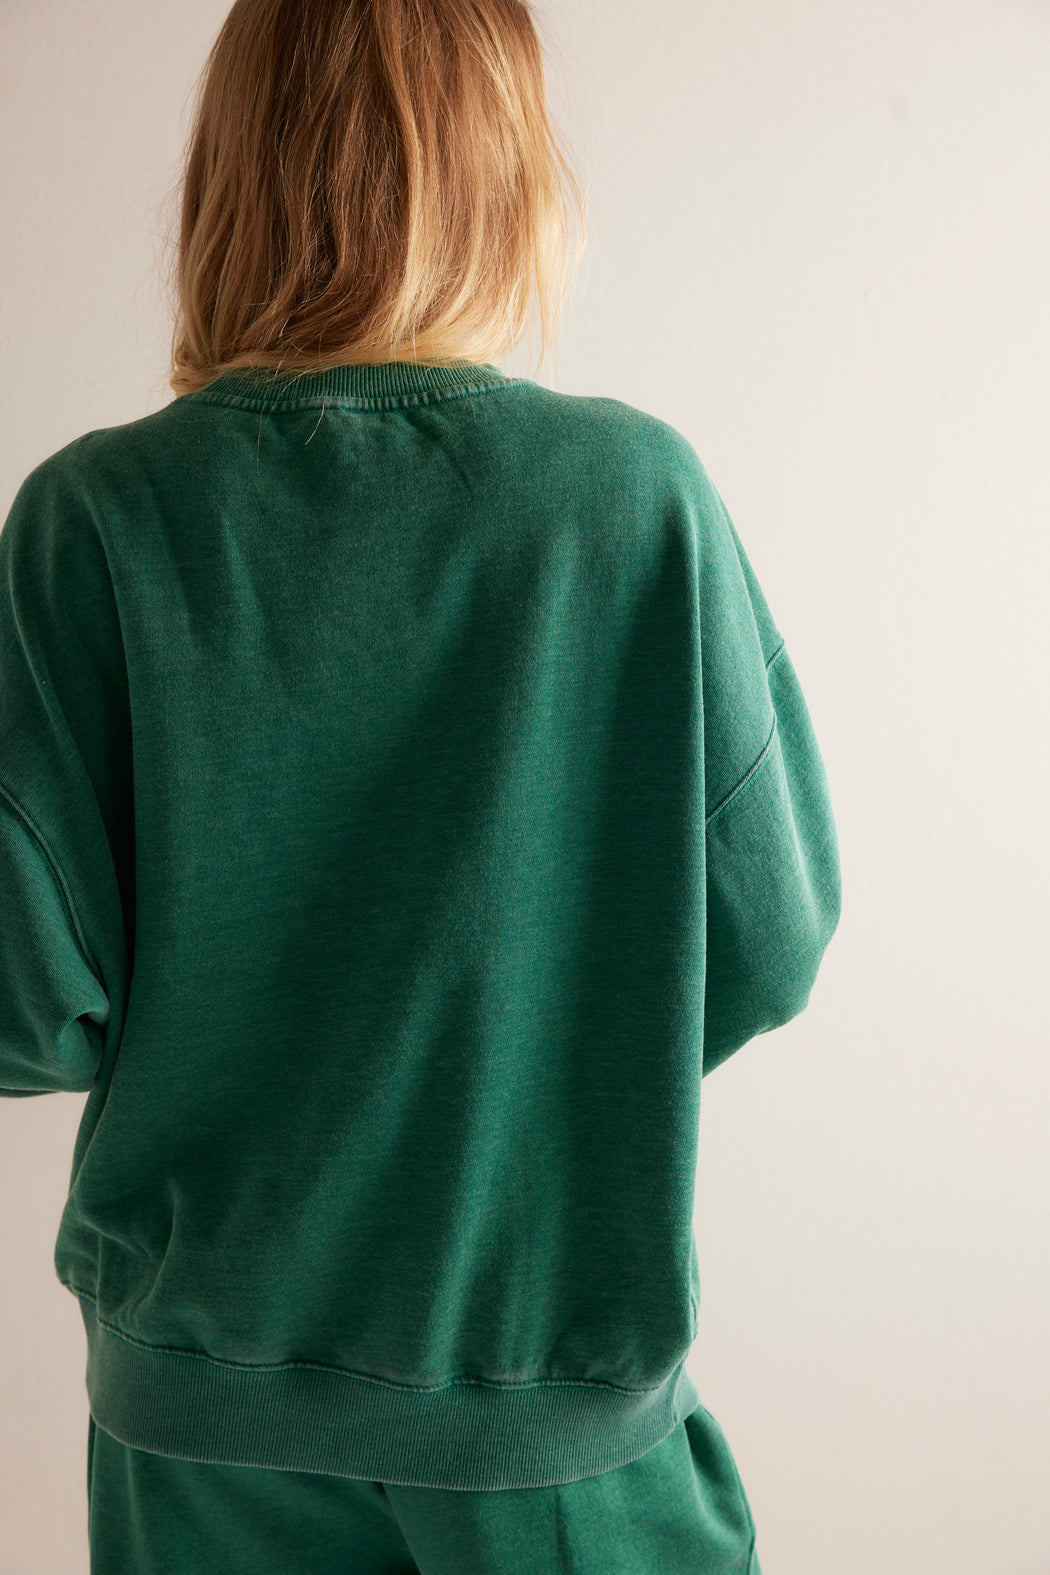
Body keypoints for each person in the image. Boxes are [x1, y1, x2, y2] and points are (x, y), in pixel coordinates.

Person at [0, 1, 841, 1570]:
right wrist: (536, 1065)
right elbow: (770, 938)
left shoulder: (95, 521)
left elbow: (22, 1007)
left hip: (199, 1427)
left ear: (229, 174)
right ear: (508, 178)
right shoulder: (628, 502)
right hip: (542, 1409)